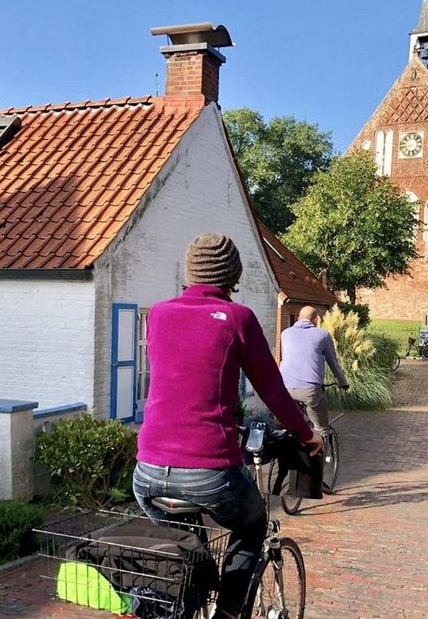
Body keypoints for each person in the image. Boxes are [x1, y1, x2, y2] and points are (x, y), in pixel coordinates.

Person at [134, 233, 323, 619]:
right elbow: (272, 390)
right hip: (209, 471)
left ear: (189, 273)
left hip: (148, 469)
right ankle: (229, 613)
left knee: (187, 552)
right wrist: (307, 434)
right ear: (232, 277)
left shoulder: (158, 313)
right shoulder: (238, 318)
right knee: (252, 526)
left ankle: (183, 604)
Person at [279, 306, 349, 431]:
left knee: (291, 425)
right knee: (321, 428)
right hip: (310, 390)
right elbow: (333, 362)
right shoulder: (323, 335)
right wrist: (342, 382)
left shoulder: (285, 333)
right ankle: (321, 445)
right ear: (316, 319)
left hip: (284, 388)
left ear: (298, 318)